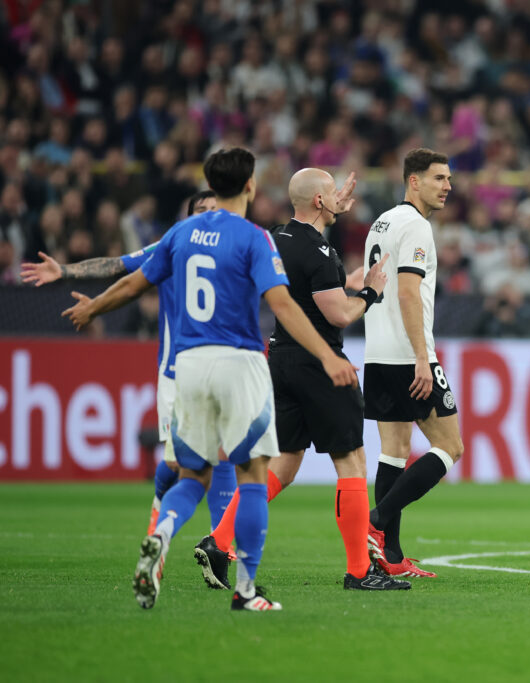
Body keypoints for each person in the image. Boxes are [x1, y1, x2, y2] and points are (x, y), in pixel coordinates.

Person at [63, 148, 355, 610]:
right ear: (251, 186)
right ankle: (245, 591)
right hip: (238, 362)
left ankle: (162, 531)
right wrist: (327, 355)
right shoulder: (255, 237)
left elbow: (135, 281)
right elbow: (281, 305)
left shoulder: (181, 234)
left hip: (189, 365)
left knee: (194, 474)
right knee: (255, 473)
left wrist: (92, 307)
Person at [194, 168, 409, 591]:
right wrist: (371, 291)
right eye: (331, 193)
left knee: (285, 462)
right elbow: (339, 313)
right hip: (319, 362)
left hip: (280, 358)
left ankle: (219, 540)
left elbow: (313, 288)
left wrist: (334, 210)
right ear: (318, 202)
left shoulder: (277, 237)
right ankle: (360, 572)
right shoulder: (321, 252)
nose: (339, 198)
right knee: (351, 462)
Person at [20, 190, 239, 538]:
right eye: (202, 210)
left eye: (216, 209)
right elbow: (120, 267)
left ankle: (219, 545)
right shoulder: (173, 245)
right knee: (178, 463)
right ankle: (159, 514)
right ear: (188, 219)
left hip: (222, 368)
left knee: (223, 453)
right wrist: (65, 271)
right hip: (177, 373)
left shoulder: (236, 247)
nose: (211, 215)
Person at [362, 148, 463, 578]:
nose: (448, 186)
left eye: (449, 179)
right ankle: (375, 521)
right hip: (409, 355)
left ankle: (392, 556)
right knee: (450, 446)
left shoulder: (381, 222)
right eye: (439, 178)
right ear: (413, 181)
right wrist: (423, 358)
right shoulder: (417, 227)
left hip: (377, 351)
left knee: (395, 452)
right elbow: (407, 292)